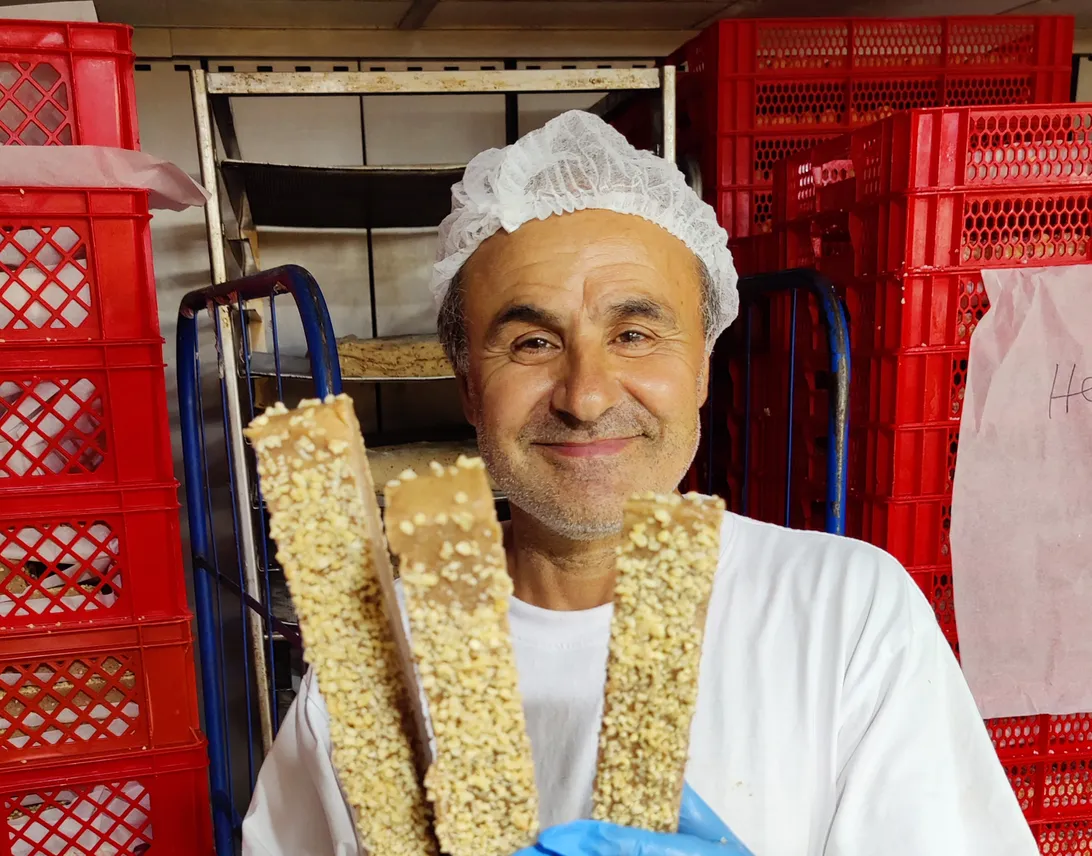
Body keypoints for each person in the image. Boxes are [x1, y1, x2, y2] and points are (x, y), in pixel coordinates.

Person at [241, 110, 1037, 856]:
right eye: (530, 343)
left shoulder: (845, 615)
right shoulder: (381, 660)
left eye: (634, 333)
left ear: (701, 368)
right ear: (467, 387)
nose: (585, 396)